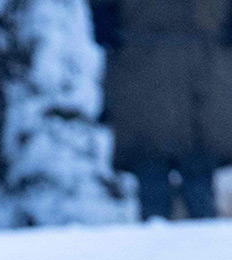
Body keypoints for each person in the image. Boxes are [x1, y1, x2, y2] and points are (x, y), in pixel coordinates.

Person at [90, 0, 232, 220]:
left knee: (190, 166)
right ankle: (169, 236)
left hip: (192, 57)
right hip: (154, 57)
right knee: (158, 164)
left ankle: (188, 235)